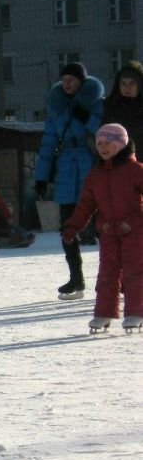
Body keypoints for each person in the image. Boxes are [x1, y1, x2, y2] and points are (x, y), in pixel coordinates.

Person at [61, 123, 143, 332]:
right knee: (107, 273)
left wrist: (134, 221)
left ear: (121, 143)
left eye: (108, 143)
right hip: (108, 232)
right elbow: (86, 206)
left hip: (135, 232)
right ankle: (104, 313)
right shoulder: (95, 175)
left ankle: (136, 312)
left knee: (135, 273)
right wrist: (73, 226)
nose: (103, 147)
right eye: (99, 144)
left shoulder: (135, 170)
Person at [35, 62, 104, 299]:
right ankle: (76, 279)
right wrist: (41, 177)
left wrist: (88, 118)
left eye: (71, 79)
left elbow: (107, 134)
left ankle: (114, 277)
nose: (67, 83)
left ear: (81, 82)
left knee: (102, 228)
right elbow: (47, 145)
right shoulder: (57, 108)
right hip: (65, 170)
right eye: (64, 79)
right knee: (67, 229)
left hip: (91, 167)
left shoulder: (96, 104)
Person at [100, 59, 143, 153]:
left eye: (132, 83)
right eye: (123, 83)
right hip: (120, 162)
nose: (127, 87)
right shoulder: (111, 108)